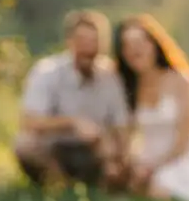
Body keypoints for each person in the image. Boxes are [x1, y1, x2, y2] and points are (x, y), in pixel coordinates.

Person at [16, 10, 131, 188]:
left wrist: (119, 158)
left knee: (127, 153)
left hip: (95, 151)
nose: (88, 48)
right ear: (69, 42)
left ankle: (99, 185)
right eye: (82, 41)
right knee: (25, 144)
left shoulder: (110, 76)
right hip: (55, 148)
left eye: (94, 42)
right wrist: (72, 123)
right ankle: (60, 187)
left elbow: (121, 125)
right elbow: (29, 122)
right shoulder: (47, 71)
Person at [114, 14, 189, 201]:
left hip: (182, 154)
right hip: (147, 155)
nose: (135, 50)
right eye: (127, 45)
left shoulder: (181, 79)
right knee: (129, 185)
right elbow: (127, 135)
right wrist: (132, 162)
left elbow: (185, 137)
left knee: (159, 189)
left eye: (140, 42)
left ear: (154, 45)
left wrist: (154, 166)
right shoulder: (127, 86)